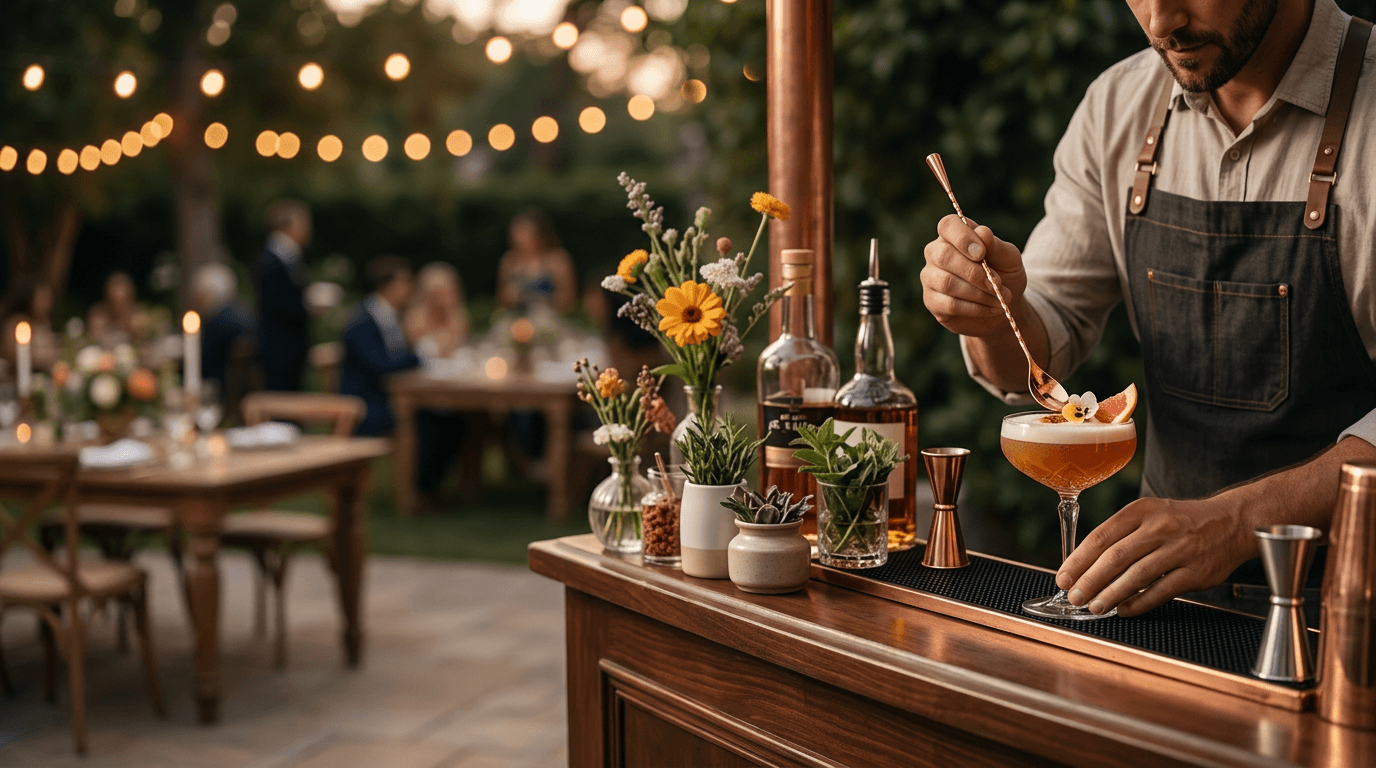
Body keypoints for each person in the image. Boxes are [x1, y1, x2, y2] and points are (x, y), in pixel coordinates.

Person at [921, 0, 1376, 618]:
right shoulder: (1119, 106)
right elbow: (1040, 341)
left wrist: (1237, 521)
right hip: (1166, 607)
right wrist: (988, 312)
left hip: (1347, 612)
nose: (1160, 23)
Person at [340, 256, 462, 506]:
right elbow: (381, 366)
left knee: (453, 418)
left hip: (387, 394)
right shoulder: (362, 321)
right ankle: (417, 493)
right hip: (367, 404)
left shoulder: (387, 315)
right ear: (388, 286)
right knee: (431, 420)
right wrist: (422, 354)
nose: (410, 289)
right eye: (405, 282)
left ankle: (429, 488)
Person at [254, 199, 312, 391]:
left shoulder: (287, 257)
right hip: (279, 347)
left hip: (287, 346)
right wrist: (308, 305)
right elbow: (277, 302)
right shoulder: (273, 259)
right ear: (290, 226)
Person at [496, 211, 577, 315]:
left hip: (551, 315)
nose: (520, 239)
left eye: (525, 234)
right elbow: (502, 299)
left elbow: (568, 298)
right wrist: (510, 297)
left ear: (540, 234)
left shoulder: (557, 259)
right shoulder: (509, 261)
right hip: (518, 317)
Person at [190, 262, 254, 387]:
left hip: (221, 384)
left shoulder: (216, 322)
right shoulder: (240, 314)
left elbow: (205, 361)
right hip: (243, 384)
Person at [405, 262, 469, 358]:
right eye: (439, 294)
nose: (447, 298)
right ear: (427, 295)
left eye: (450, 292)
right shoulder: (416, 319)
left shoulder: (457, 315)